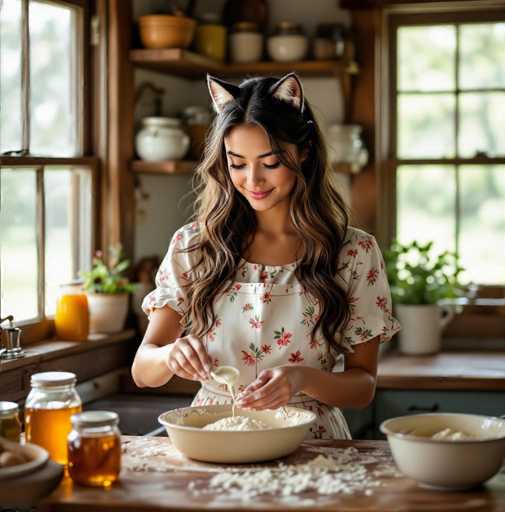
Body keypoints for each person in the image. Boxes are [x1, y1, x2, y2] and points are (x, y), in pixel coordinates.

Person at [132, 72, 400, 439]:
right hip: (215, 436)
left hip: (312, 440)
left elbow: (363, 386)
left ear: (303, 153)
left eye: (270, 163)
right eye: (237, 163)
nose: (252, 180)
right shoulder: (194, 247)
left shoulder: (354, 253)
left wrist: (302, 378)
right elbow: (142, 369)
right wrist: (169, 356)